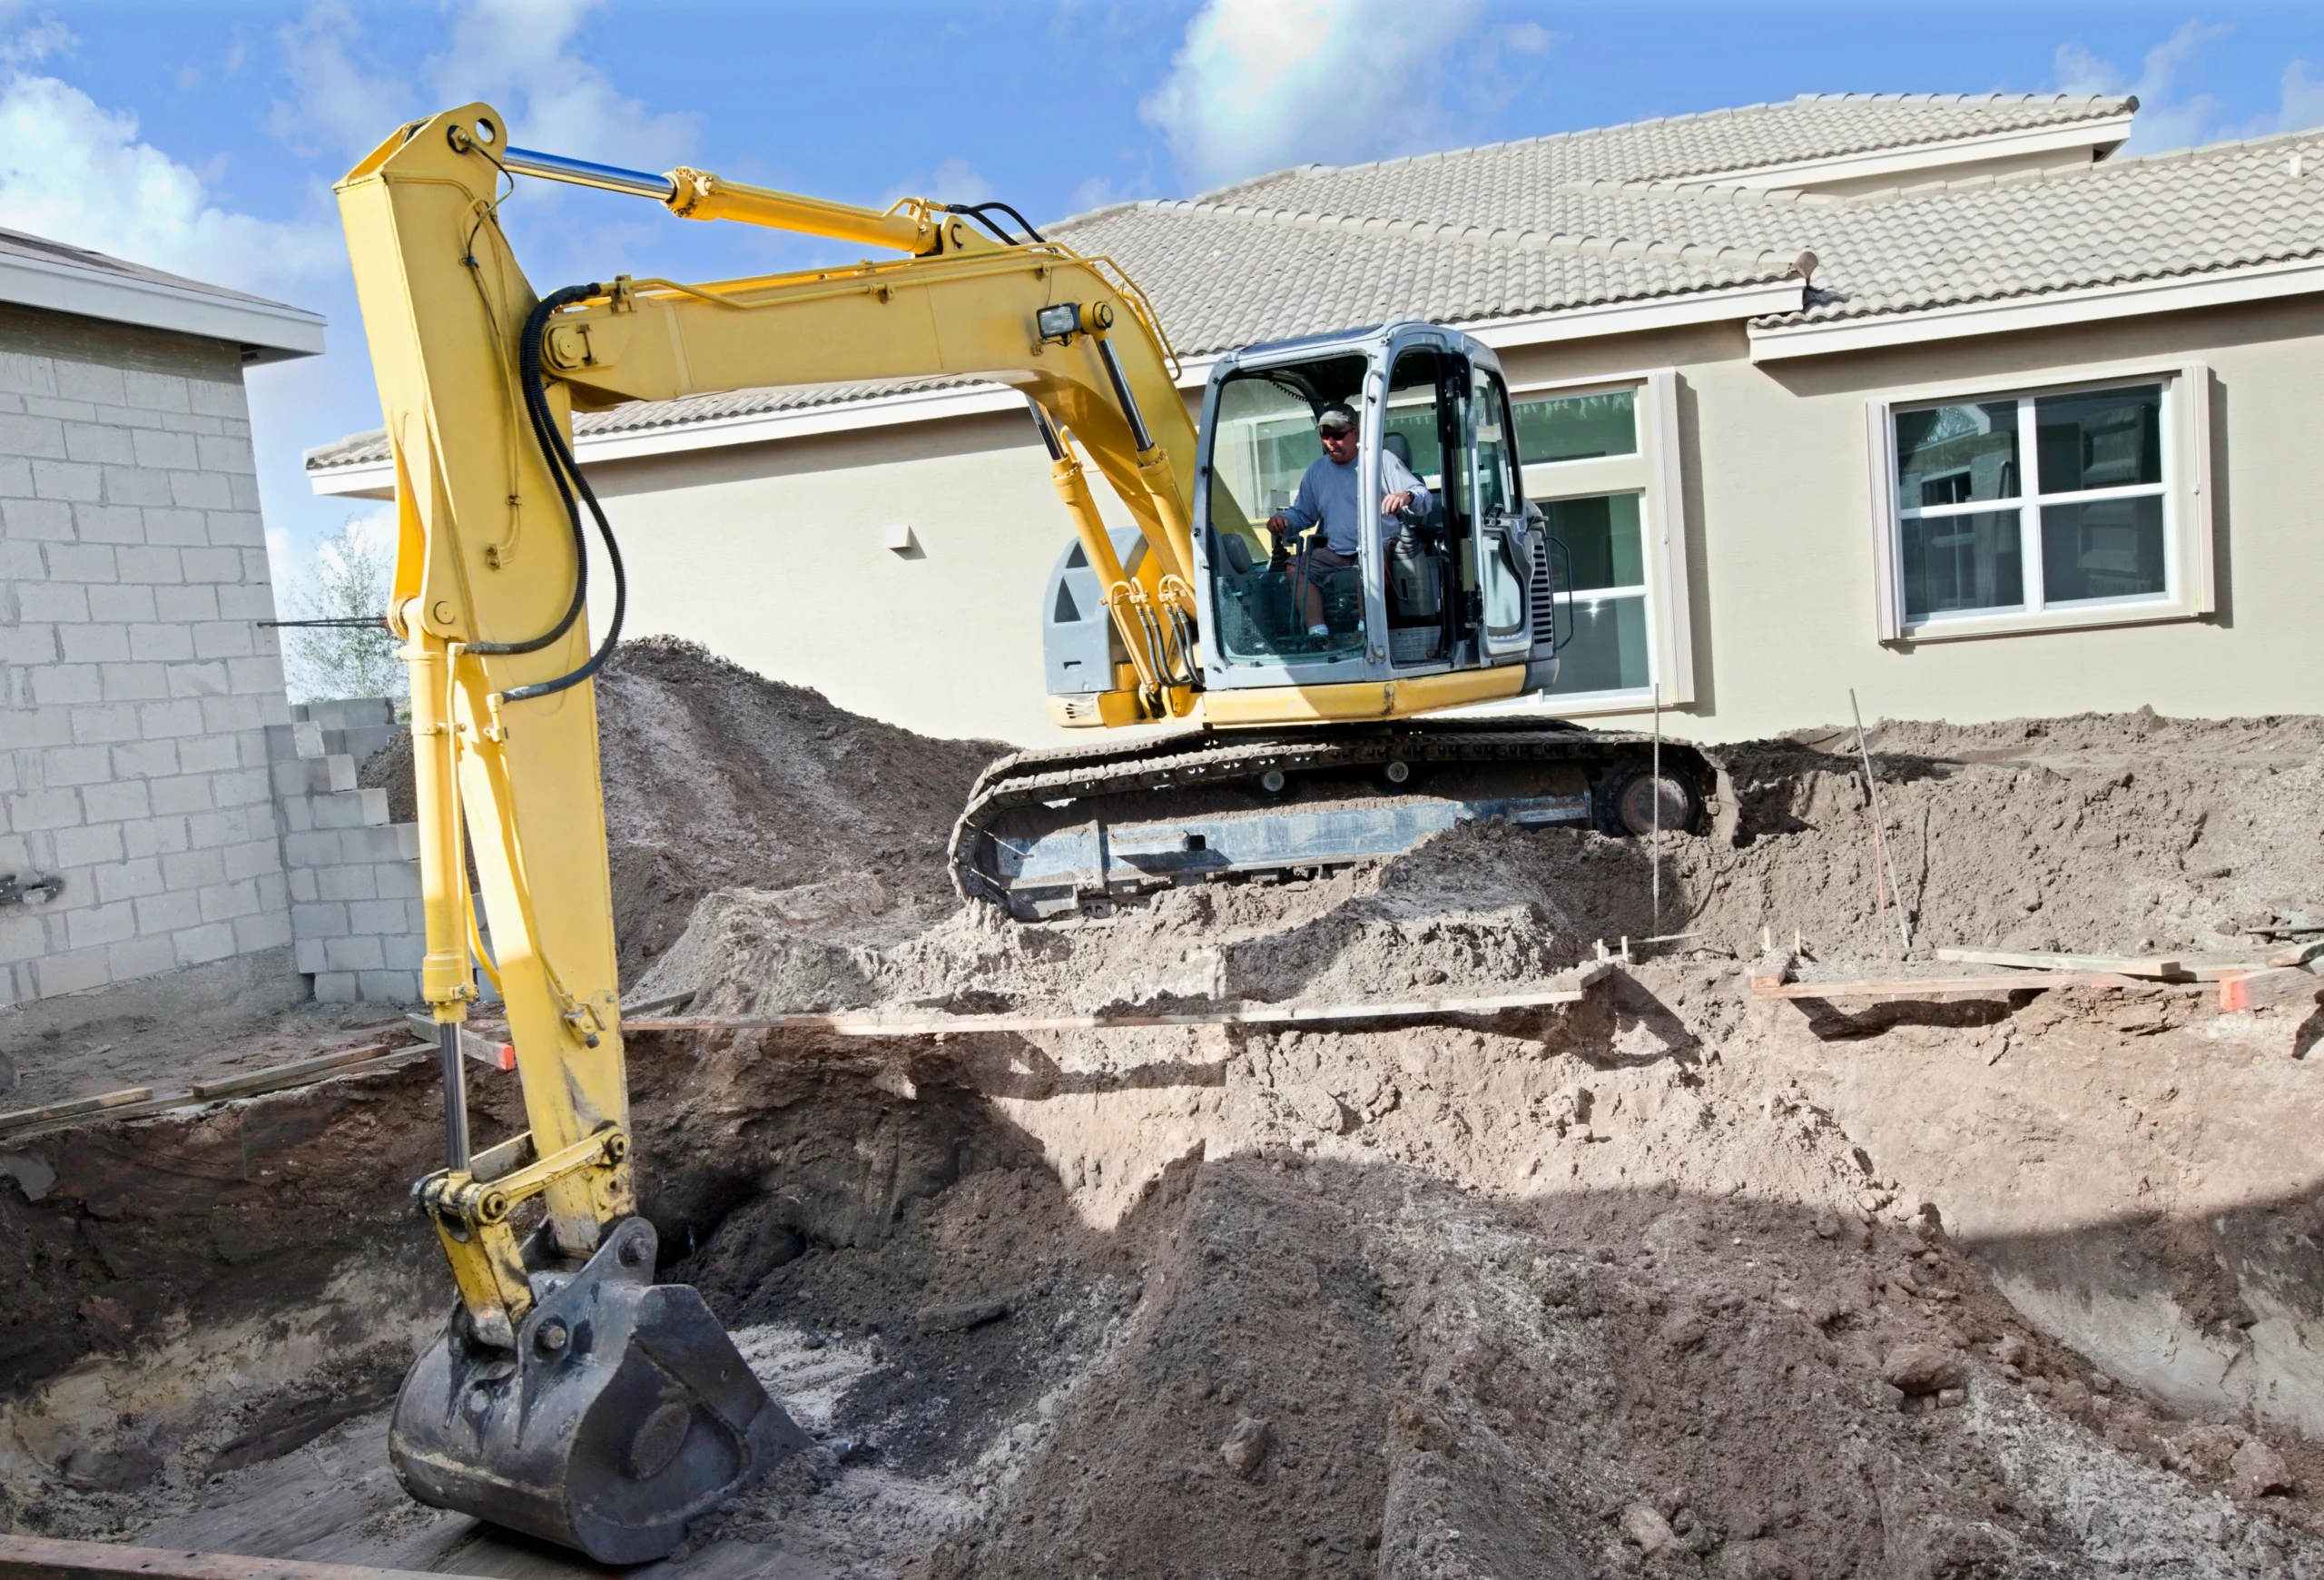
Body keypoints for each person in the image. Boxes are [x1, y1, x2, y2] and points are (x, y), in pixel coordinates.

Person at [1265, 403, 1430, 637]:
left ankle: (1366, 633)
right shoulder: (1316, 471)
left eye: (1338, 435)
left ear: (1355, 433)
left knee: (1369, 557)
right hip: (1338, 552)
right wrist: (1283, 521)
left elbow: (1422, 496)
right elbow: (1302, 514)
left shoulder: (1381, 460)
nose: (1330, 441)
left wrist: (1407, 495)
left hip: (1382, 544)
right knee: (1294, 566)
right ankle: (1318, 635)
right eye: (1325, 435)